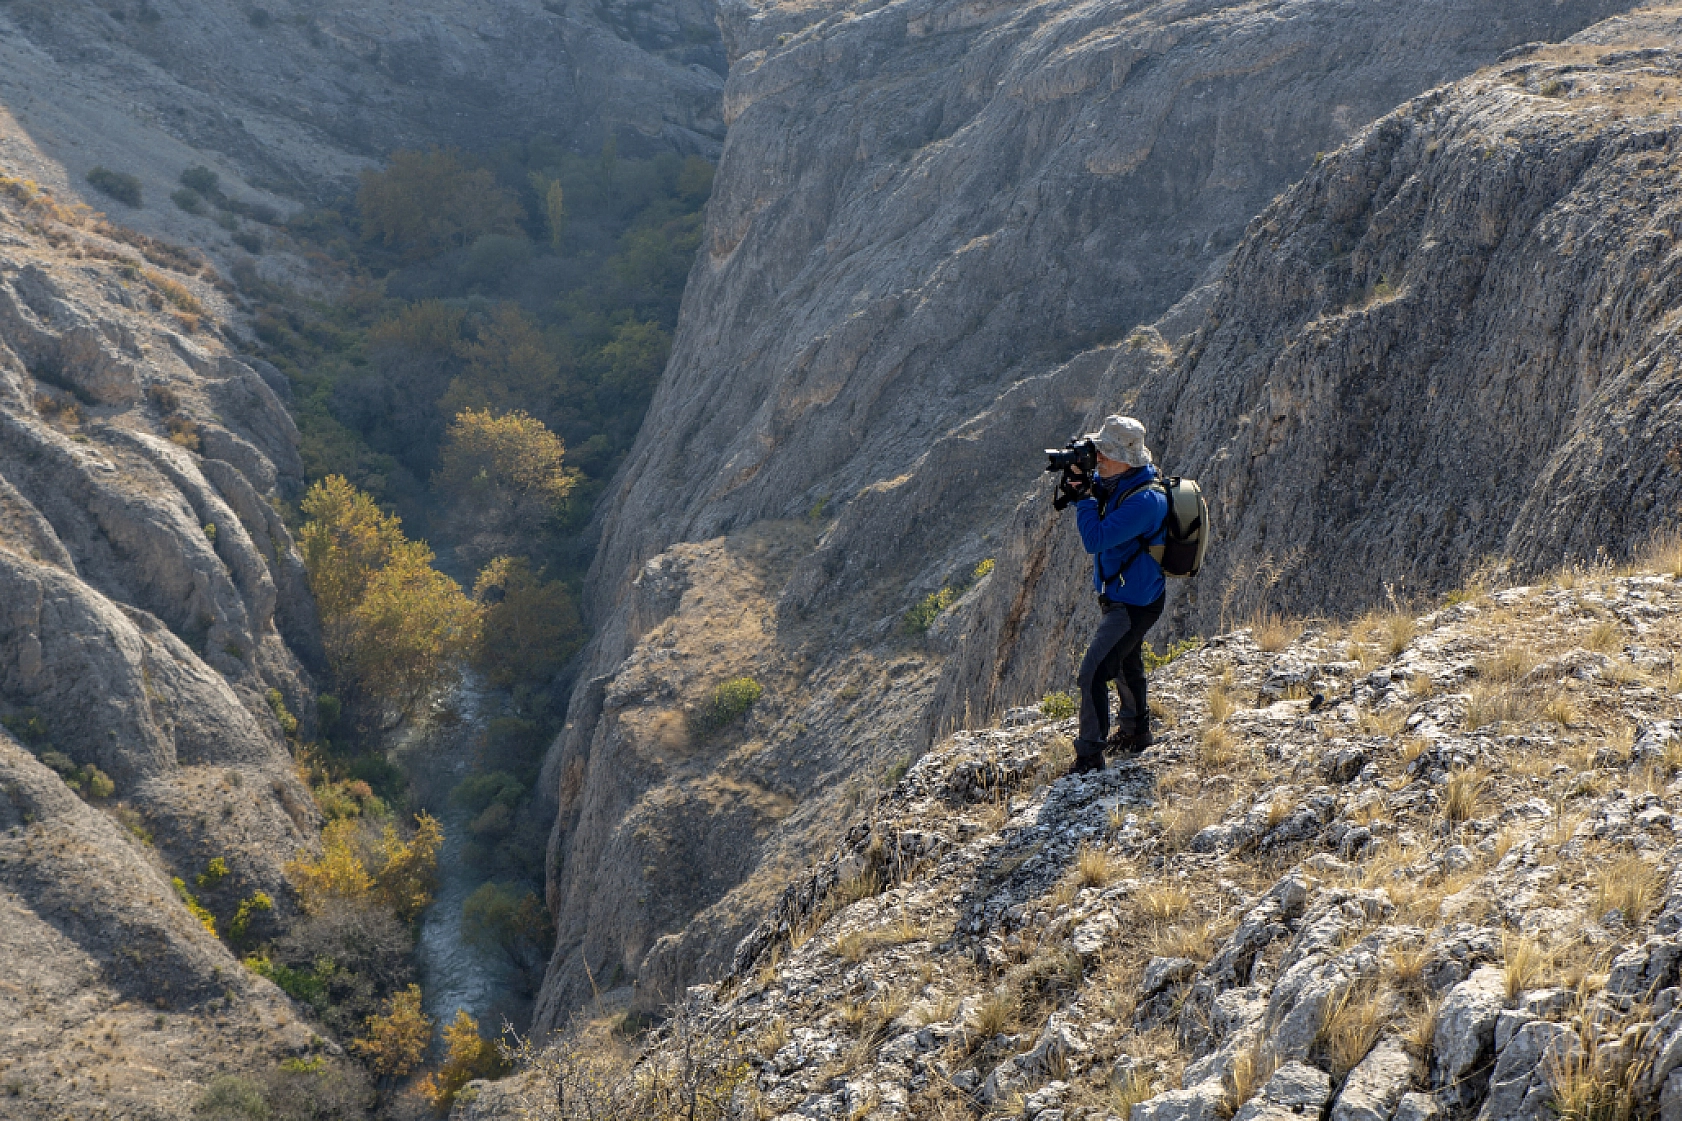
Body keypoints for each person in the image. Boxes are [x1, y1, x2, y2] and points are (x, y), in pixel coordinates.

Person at [1061, 415, 1167, 776]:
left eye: (1107, 452)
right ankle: (1136, 732)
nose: (1100, 457)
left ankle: (1089, 757)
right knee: (1125, 662)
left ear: (1127, 459)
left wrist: (1084, 500)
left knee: (1092, 673)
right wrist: (1080, 480)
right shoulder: (1121, 481)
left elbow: (1096, 539)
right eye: (1100, 450)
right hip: (1130, 595)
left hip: (1133, 604)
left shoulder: (1146, 501)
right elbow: (1099, 492)